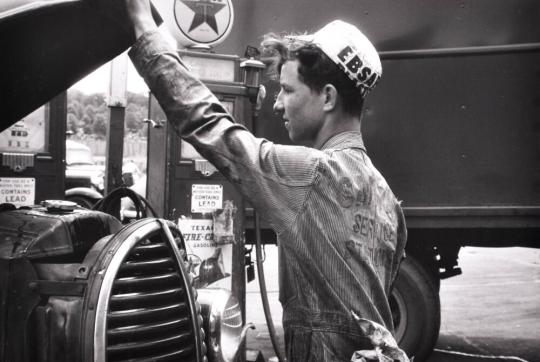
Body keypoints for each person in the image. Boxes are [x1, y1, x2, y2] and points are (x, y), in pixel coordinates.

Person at [113, 1, 407, 360]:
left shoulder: (314, 175)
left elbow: (208, 123)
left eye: (288, 90)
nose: (278, 105)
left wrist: (144, 28)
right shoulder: (387, 199)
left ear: (327, 97)